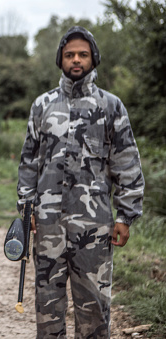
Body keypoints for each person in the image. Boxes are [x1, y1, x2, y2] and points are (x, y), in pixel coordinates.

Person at [17, 26, 145, 338]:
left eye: (82, 55)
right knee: (48, 305)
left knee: (94, 307)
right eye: (69, 54)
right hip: (48, 224)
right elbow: (29, 162)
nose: (76, 60)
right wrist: (25, 210)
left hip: (95, 225)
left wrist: (127, 215)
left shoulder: (110, 106)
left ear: (93, 59)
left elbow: (126, 162)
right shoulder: (42, 106)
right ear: (60, 60)